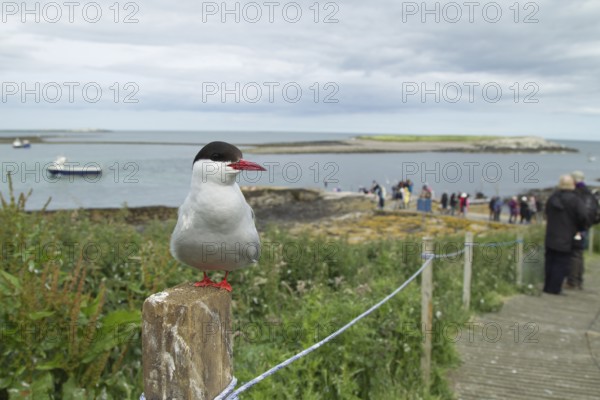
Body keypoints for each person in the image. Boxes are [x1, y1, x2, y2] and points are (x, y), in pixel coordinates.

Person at [543, 175, 589, 295]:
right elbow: (583, 216)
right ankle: (555, 288)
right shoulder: (575, 200)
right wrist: (581, 228)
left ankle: (547, 286)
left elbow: (546, 212)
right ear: (572, 185)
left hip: (551, 233)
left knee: (550, 261)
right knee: (561, 262)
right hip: (567, 234)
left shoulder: (552, 198)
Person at [567, 171, 598, 289]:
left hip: (576, 226)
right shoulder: (590, 194)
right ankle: (578, 279)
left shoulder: (576, 194)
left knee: (574, 253)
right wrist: (588, 224)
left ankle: (572, 281)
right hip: (586, 226)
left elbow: (578, 212)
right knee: (579, 253)